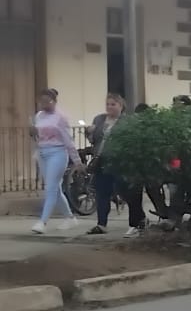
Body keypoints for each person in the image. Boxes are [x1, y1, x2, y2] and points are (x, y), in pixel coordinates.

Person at [87, 93, 146, 236]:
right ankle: (102, 224)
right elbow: (94, 140)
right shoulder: (99, 119)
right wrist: (89, 133)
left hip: (119, 162)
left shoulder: (127, 121)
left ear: (121, 106)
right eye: (108, 104)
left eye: (113, 104)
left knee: (125, 191)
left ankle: (138, 220)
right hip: (101, 160)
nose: (110, 107)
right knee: (102, 193)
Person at [29, 88, 83, 234]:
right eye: (42, 102)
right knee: (54, 188)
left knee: (51, 187)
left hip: (58, 153)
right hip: (43, 152)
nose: (44, 105)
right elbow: (37, 135)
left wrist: (77, 160)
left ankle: (42, 221)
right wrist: (33, 133)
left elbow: (68, 140)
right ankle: (70, 217)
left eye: (48, 102)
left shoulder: (60, 117)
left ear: (54, 101)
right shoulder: (39, 115)